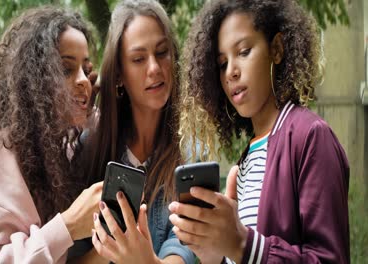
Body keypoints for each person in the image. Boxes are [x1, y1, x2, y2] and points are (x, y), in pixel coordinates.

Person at [169, 0, 350, 263]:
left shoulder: (311, 137)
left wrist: (242, 244)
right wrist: (216, 255)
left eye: (243, 51)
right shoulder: (249, 156)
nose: (231, 71)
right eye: (222, 64)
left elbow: (329, 258)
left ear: (276, 49)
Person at [0, 6, 103, 263]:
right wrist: (69, 225)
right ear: (35, 79)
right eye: (66, 70)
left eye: (86, 70)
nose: (84, 80)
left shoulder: (59, 148)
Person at [85, 0, 195, 263]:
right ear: (119, 74)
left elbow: (184, 247)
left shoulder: (192, 153)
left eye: (162, 52)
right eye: (138, 59)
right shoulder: (89, 148)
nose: (155, 68)